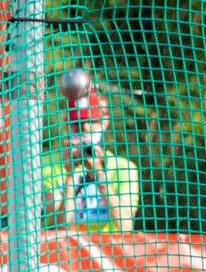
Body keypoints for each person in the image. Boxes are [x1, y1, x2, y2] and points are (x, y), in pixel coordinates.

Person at [41, 86, 140, 233]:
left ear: (104, 122)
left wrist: (100, 175)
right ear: (67, 123)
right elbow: (59, 229)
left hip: (109, 252)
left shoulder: (124, 168)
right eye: (78, 123)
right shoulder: (50, 169)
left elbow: (125, 226)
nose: (85, 127)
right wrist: (70, 175)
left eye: (91, 121)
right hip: (67, 252)